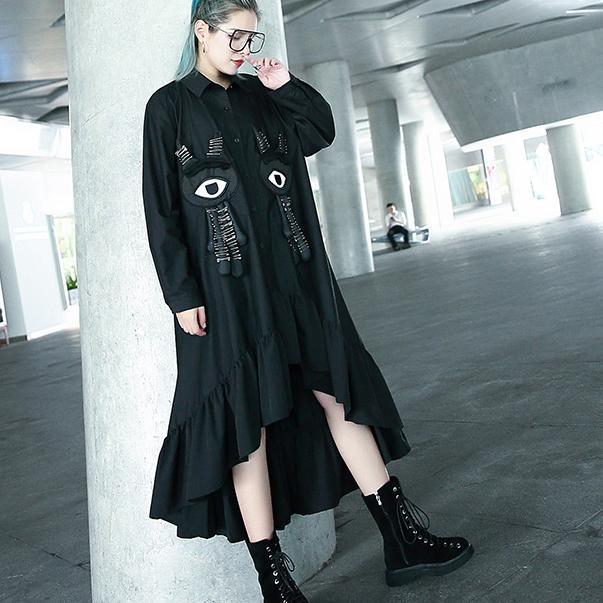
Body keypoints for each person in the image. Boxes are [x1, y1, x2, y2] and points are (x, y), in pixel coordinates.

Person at [141, 1, 473, 600]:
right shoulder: (169, 108)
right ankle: (275, 584)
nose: (244, 48)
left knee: (339, 392)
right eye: (234, 36)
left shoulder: (262, 96)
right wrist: (181, 294)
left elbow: (320, 130)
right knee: (246, 421)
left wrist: (284, 84)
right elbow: (161, 208)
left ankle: (403, 541)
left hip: (295, 280)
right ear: (202, 31)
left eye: (252, 37)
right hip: (227, 293)